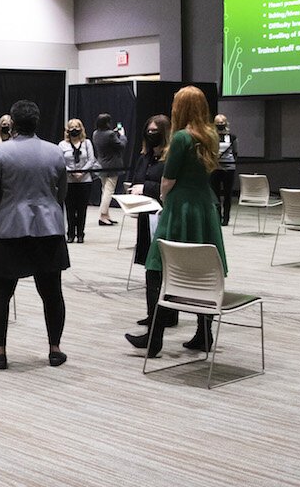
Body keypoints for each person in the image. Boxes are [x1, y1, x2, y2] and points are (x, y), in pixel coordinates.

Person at [128, 87, 226, 356]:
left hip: (180, 207)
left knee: (156, 267)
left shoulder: (182, 138)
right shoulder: (210, 135)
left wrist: (162, 195)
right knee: (202, 269)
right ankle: (203, 333)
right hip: (204, 208)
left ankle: (154, 338)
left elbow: (168, 179)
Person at [0, 99, 69, 369]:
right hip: (49, 230)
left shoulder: (0, 152)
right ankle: (55, 349)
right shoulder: (55, 152)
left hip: (9, 231)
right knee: (52, 293)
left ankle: (0, 352)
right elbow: (61, 193)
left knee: (1, 292)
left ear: (13, 124)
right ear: (37, 123)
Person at [125, 113, 170, 327]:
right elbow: (137, 179)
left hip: (163, 216)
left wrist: (146, 188)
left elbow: (168, 184)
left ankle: (165, 315)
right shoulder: (144, 156)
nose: (151, 134)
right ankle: (153, 313)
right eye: (149, 131)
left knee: (163, 267)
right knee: (149, 265)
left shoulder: (169, 158)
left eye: (155, 131)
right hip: (145, 215)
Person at [59, 117, 96, 243]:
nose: (74, 130)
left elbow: (91, 160)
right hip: (69, 181)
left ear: (81, 129)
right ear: (67, 130)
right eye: (72, 128)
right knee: (70, 208)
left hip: (85, 181)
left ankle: (80, 233)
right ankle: (70, 234)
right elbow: (60, 161)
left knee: (82, 209)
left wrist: (82, 172)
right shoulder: (62, 145)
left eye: (77, 127)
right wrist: (72, 172)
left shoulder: (87, 143)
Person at [92, 113, 126, 226]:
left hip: (101, 165)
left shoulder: (95, 133)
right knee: (109, 191)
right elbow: (121, 145)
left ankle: (106, 215)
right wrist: (122, 135)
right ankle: (102, 215)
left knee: (104, 190)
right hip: (112, 166)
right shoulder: (110, 134)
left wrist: (114, 134)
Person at [211, 113, 237, 226]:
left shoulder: (232, 137)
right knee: (215, 194)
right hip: (214, 168)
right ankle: (217, 216)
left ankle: (226, 218)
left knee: (227, 194)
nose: (220, 125)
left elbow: (235, 152)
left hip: (229, 168)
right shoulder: (211, 136)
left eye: (222, 123)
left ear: (226, 123)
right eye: (218, 123)